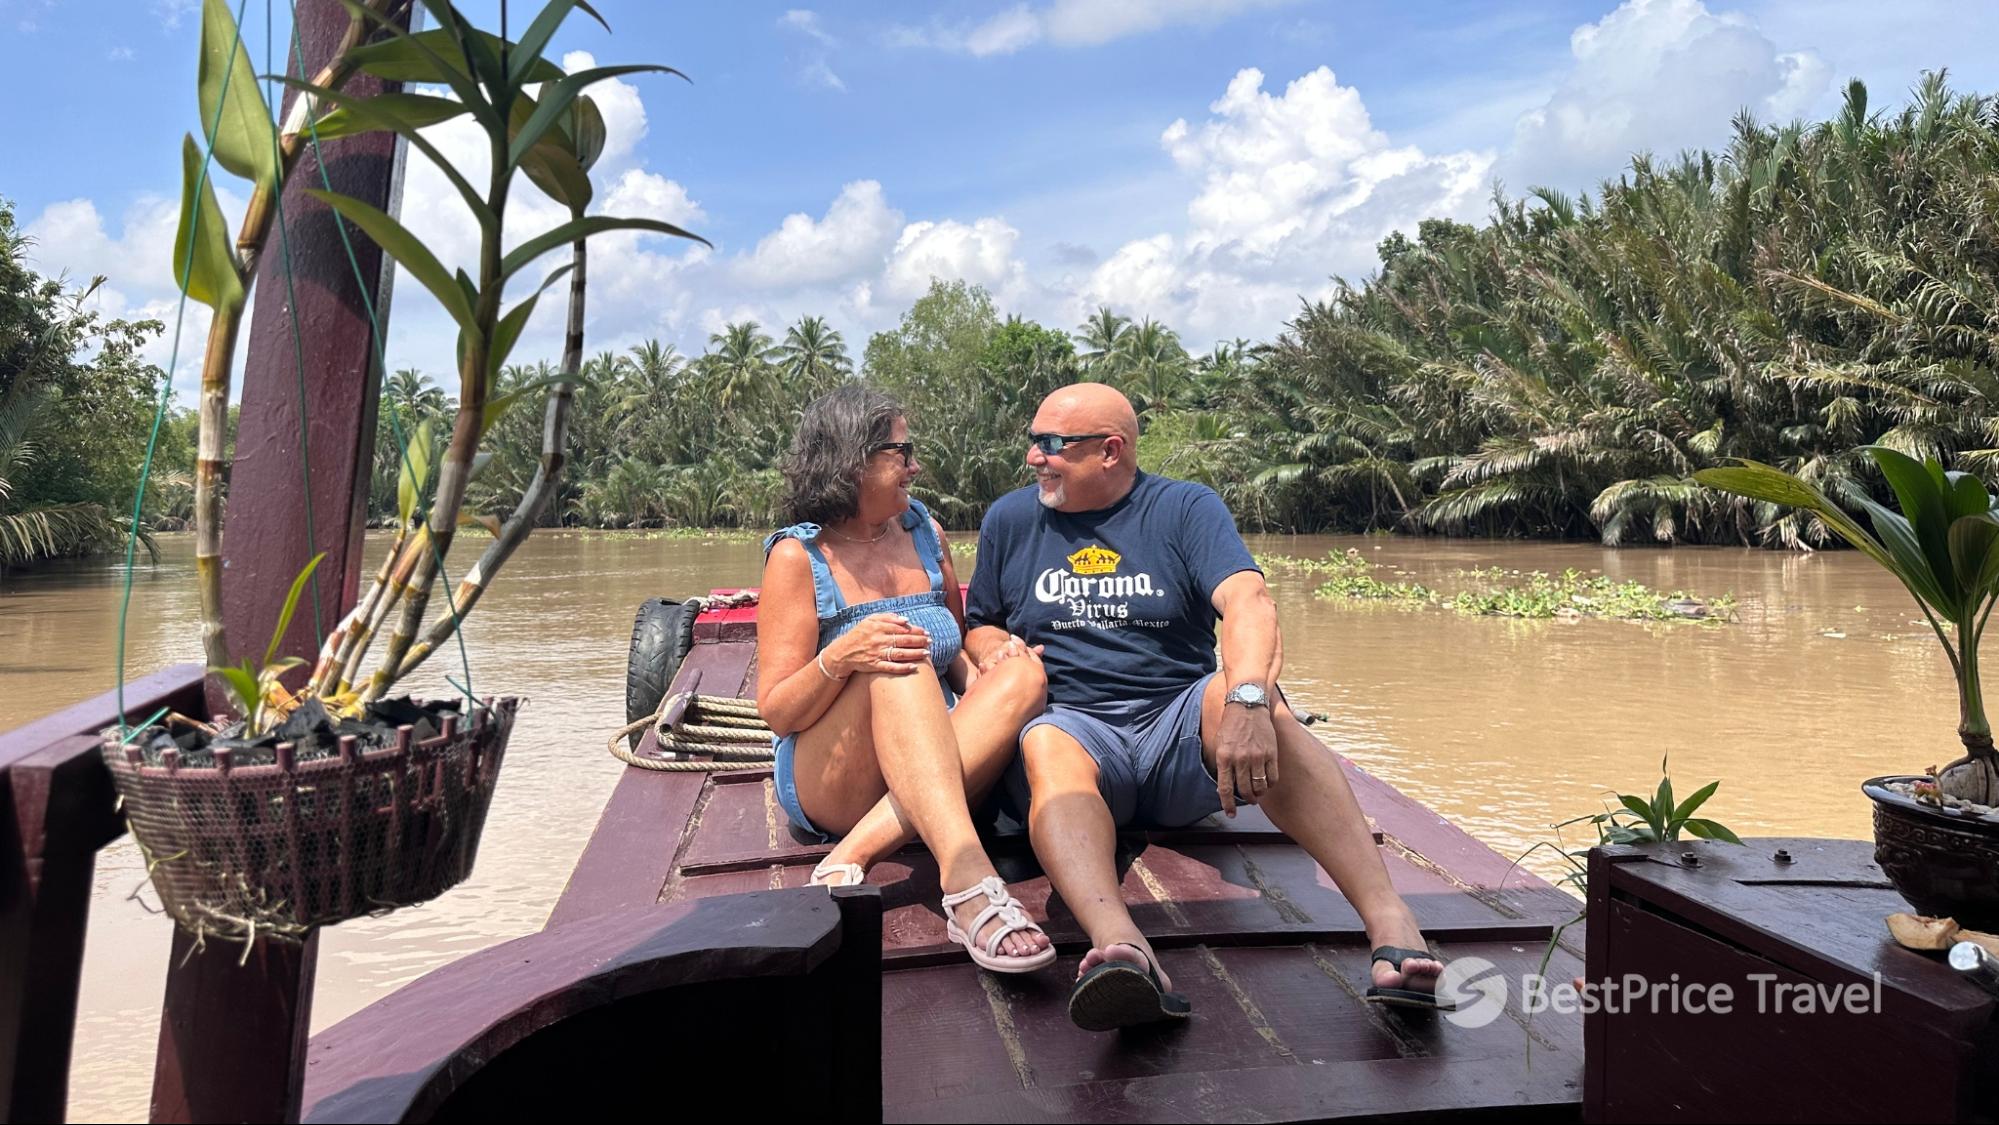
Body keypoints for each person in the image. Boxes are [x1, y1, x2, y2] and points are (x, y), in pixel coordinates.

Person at [964, 383, 1447, 1028]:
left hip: (1175, 729)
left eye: (1052, 444)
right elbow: (982, 622)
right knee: (1046, 743)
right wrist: (997, 647)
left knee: (1256, 700)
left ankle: (1392, 920)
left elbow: (1249, 602)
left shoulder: (1184, 508)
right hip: (1073, 726)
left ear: (1111, 451)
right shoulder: (1010, 520)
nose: (1034, 457)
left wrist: (1248, 696)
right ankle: (1124, 949)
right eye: (1033, 441)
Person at [756, 383, 1055, 973]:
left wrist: (986, 673)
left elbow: (956, 646)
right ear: (852, 460)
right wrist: (840, 657)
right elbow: (778, 712)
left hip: (932, 755)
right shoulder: (798, 558)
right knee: (896, 658)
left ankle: (855, 853)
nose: (915, 466)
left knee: (1023, 674)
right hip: (834, 777)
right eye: (901, 452)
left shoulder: (925, 531)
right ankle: (968, 880)